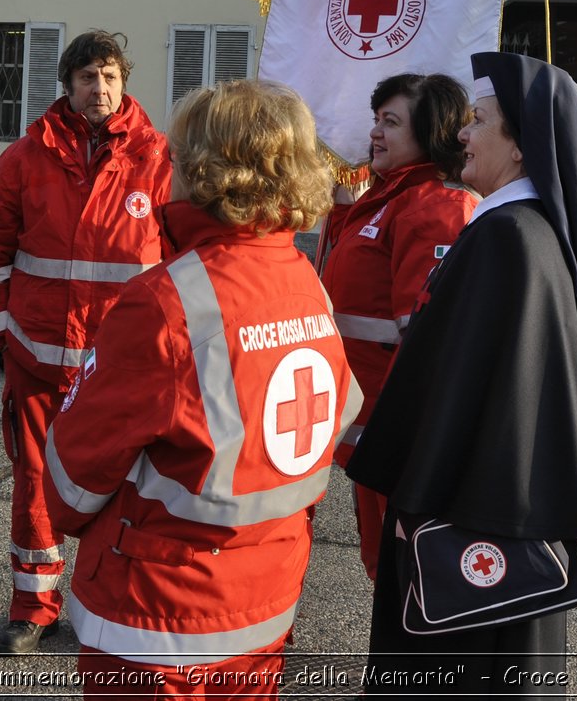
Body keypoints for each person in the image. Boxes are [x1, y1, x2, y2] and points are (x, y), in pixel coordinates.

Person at [43, 79, 360, 697]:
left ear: (201, 170)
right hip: (266, 599)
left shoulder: (167, 301)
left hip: (160, 617)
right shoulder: (306, 280)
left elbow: (74, 480)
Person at [346, 52, 577, 695]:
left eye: (478, 121)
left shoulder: (507, 238)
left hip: (471, 519)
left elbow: (466, 398)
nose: (461, 135)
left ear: (523, 147)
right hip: (494, 511)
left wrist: (414, 497)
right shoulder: (521, 231)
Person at [0, 29, 172, 655]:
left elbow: (184, 257)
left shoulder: (160, 159)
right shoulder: (25, 157)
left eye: (110, 76)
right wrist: (0, 326)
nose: (100, 88)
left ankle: (108, 607)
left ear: (125, 81)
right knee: (34, 484)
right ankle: (34, 608)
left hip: (120, 369)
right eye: (88, 77)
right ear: (68, 85)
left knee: (127, 489)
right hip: (36, 359)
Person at [317, 73, 475, 580]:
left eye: (391, 122)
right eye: (375, 120)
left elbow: (425, 344)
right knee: (384, 561)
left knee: (406, 567)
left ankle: (414, 661)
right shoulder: (389, 197)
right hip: (372, 429)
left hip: (395, 432)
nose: (375, 133)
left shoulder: (435, 208)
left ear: (429, 132)